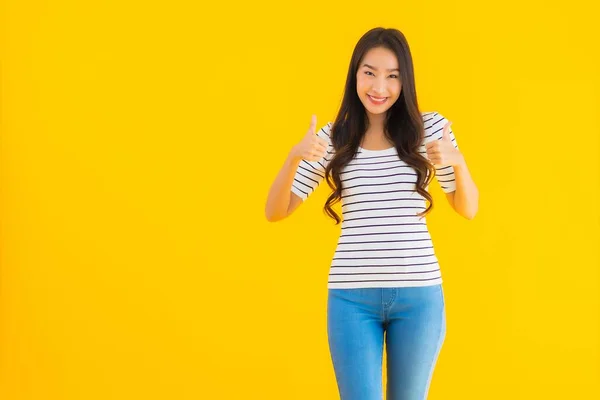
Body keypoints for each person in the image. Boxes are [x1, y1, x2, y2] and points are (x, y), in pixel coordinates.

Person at [264, 27, 479, 400]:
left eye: (392, 76)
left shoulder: (429, 129)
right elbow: (275, 211)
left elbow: (468, 208)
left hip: (419, 297)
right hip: (350, 298)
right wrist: (294, 155)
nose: (380, 86)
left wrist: (458, 162)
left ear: (404, 81)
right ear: (355, 74)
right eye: (370, 72)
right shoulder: (334, 137)